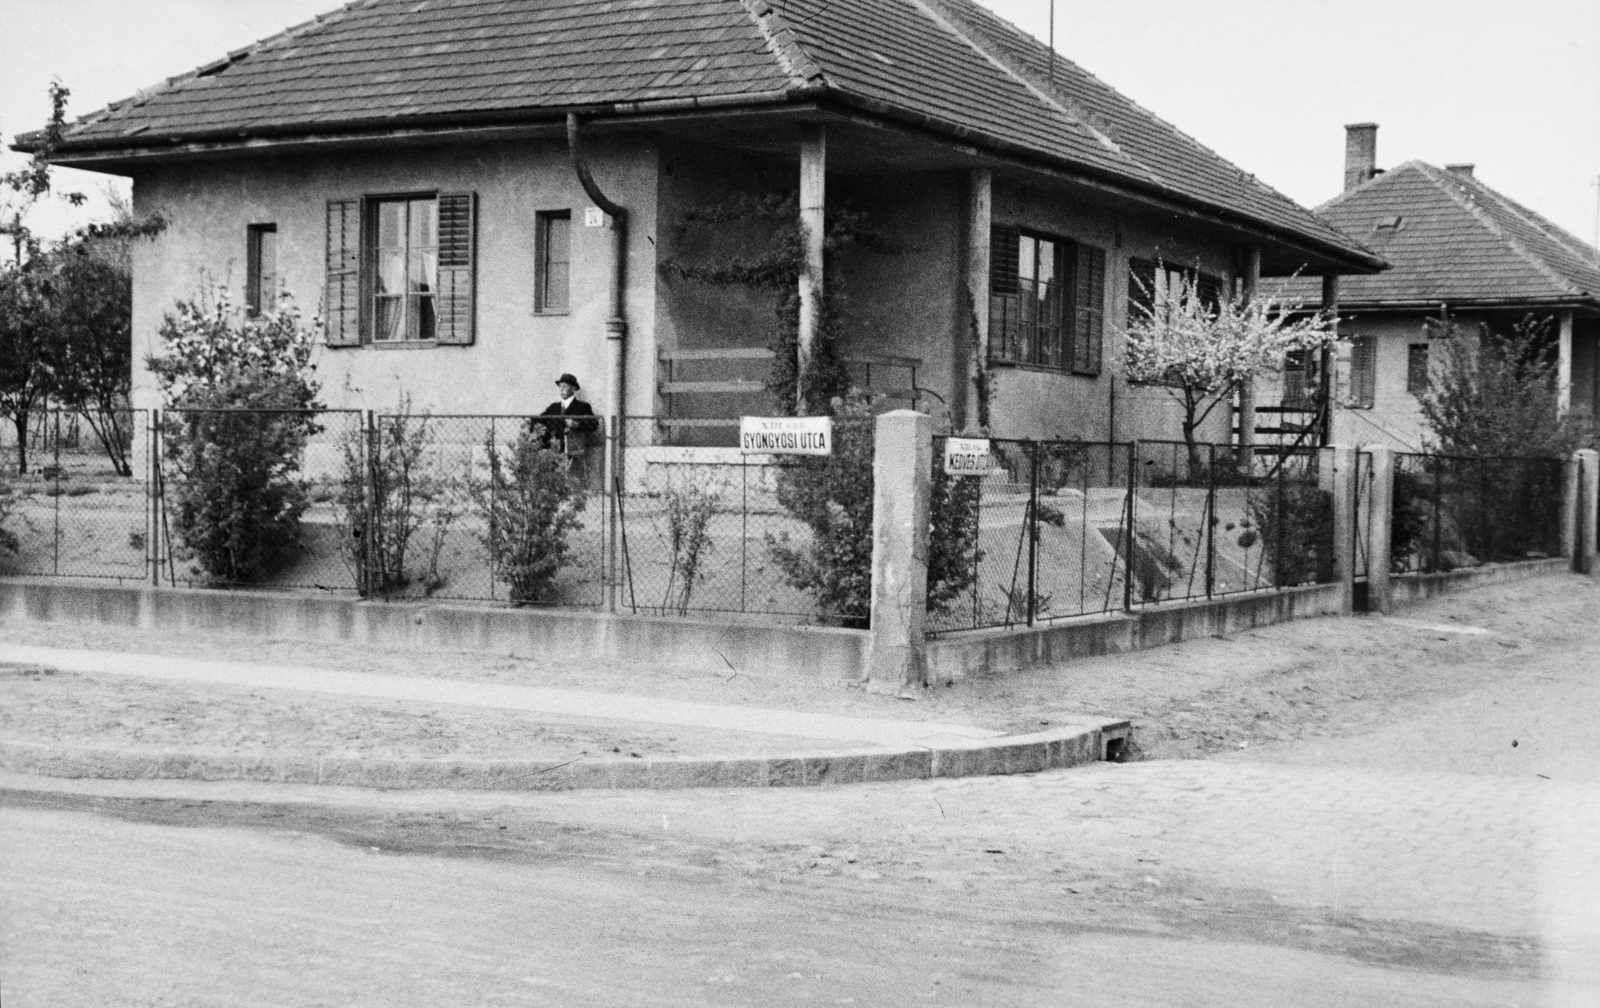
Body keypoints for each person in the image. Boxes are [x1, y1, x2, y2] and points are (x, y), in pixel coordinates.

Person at [533, 373, 597, 457]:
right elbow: (539, 420)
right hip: (549, 450)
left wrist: (577, 424)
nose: (561, 389)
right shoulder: (553, 407)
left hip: (570, 450)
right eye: (560, 386)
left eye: (565, 386)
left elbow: (593, 424)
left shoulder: (582, 407)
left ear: (573, 388)